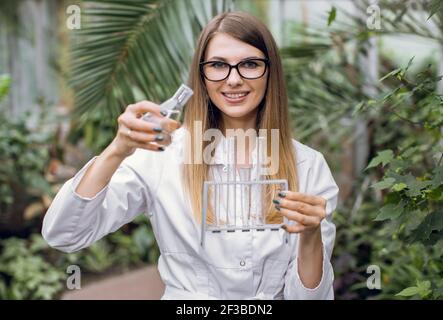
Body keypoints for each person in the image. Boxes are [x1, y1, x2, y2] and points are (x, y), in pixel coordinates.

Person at [42, 11, 339, 300]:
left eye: (249, 64)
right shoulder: (162, 155)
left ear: (270, 72)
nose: (233, 79)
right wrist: (117, 150)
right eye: (218, 65)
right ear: (201, 76)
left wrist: (311, 235)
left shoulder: (308, 166)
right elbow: (65, 234)